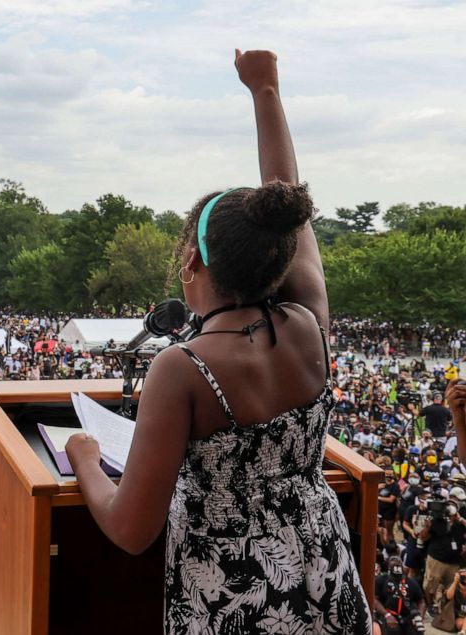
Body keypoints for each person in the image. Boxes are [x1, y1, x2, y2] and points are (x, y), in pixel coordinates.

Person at [65, 49, 372, 633]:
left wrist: (84, 460)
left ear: (192, 263)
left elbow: (132, 531)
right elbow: (287, 196)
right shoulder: (309, 325)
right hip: (323, 565)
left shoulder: (183, 368)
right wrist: (266, 90)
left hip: (233, 593)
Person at [375, 556, 425, 635]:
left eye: (397, 562)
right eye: (392, 561)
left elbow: (421, 601)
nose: (395, 563)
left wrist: (420, 616)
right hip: (388, 613)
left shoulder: (411, 582)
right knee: (393, 631)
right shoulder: (382, 579)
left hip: (407, 615)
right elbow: (374, 599)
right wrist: (387, 615)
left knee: (418, 631)